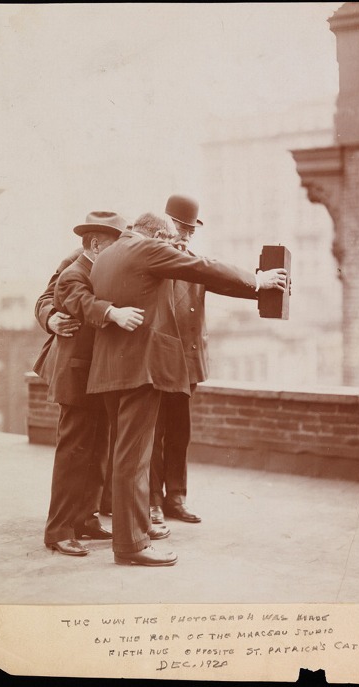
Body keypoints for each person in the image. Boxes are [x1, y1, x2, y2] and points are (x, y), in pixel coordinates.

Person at [87, 211, 287, 567]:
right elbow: (201, 266)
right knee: (134, 459)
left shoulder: (107, 256)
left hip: (110, 368)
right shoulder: (147, 248)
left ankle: (132, 535)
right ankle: (132, 545)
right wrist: (257, 281)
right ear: (156, 235)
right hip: (141, 368)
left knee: (125, 456)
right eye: (168, 241)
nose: (172, 246)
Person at [36, 211, 146, 556]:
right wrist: (110, 313)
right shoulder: (75, 271)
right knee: (74, 453)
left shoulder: (99, 268)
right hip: (76, 375)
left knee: (97, 451)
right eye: (115, 245)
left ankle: (85, 518)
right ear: (96, 244)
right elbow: (73, 300)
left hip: (97, 374)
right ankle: (59, 530)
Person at [149, 195, 208, 525]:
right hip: (157, 363)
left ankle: (176, 498)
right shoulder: (152, 260)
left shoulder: (195, 264)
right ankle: (153, 501)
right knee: (153, 434)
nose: (185, 236)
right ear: (165, 227)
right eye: (180, 228)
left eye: (190, 230)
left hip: (186, 364)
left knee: (179, 433)